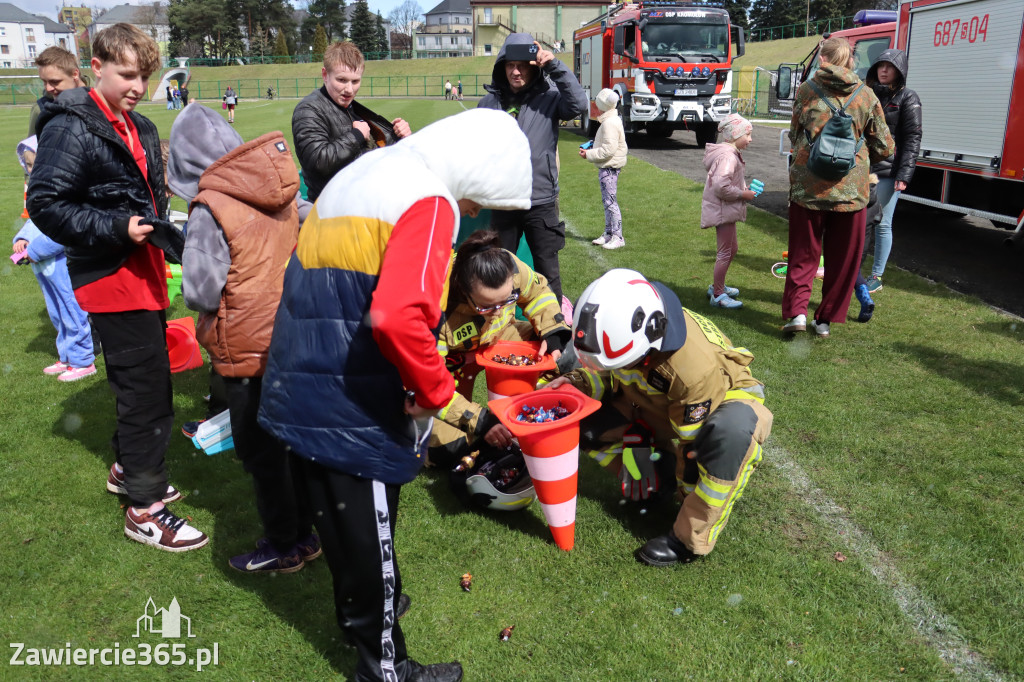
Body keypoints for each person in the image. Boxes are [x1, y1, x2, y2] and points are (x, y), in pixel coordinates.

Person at [257, 109, 532, 682]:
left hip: (298, 379)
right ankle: (386, 668)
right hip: (350, 400)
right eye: (478, 201)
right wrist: (433, 391)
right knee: (370, 536)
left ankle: (364, 612)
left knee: (343, 530)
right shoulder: (428, 199)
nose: (474, 213)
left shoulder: (363, 173)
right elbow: (397, 315)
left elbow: (336, 288)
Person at [27, 23, 206, 553]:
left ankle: (129, 469)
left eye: (144, 76)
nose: (136, 85)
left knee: (149, 382)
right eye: (127, 73)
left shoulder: (140, 125)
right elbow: (47, 205)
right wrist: (113, 229)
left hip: (144, 270)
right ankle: (145, 510)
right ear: (97, 66)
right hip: (110, 277)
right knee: (145, 393)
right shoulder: (71, 126)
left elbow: (146, 195)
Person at [168, 103, 318, 573]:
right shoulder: (278, 186)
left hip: (248, 348)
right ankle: (309, 530)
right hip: (293, 333)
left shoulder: (210, 206)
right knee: (294, 442)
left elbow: (200, 290)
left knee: (261, 452)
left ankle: (284, 543)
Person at [546, 268, 772, 566]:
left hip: (720, 403)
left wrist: (685, 496)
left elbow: (690, 450)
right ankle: (656, 483)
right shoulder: (627, 327)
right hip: (659, 403)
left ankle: (689, 539)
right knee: (577, 418)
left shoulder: (692, 370)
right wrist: (577, 384)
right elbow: (607, 374)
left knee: (729, 434)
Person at [782, 37, 893, 338]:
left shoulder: (807, 90)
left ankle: (796, 314)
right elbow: (885, 147)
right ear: (851, 62)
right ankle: (824, 321)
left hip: (808, 187)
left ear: (823, 58)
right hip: (852, 192)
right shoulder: (866, 95)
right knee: (843, 260)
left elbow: (794, 134)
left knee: (804, 255)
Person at [429, 230, 570, 466]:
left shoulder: (507, 265)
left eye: (507, 300)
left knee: (566, 353)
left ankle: (531, 409)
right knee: (447, 450)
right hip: (453, 366)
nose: (497, 311)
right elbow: (429, 385)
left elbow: (537, 293)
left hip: (501, 338)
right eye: (486, 306)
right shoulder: (437, 307)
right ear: (464, 291)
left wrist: (554, 329)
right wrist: (480, 420)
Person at [477, 32, 588, 305]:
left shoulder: (549, 97)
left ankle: (554, 339)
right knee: (499, 273)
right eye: (510, 65)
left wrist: (554, 65)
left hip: (540, 200)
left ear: (533, 66)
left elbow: (579, 104)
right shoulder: (488, 104)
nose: (516, 72)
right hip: (503, 202)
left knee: (548, 274)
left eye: (523, 65)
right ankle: (500, 334)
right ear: (502, 65)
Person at [12, 135, 96, 382]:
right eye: (27, 166)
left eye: (34, 164)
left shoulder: (65, 193)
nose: (31, 170)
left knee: (72, 309)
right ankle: (67, 356)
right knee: (57, 312)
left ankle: (83, 360)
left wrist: (34, 252)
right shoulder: (40, 193)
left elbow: (66, 232)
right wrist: (22, 239)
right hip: (44, 268)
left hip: (62, 266)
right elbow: (34, 221)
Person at [292, 41, 412, 203]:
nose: (349, 89)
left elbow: (368, 154)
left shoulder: (349, 107)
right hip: (333, 211)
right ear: (325, 75)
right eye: (341, 80)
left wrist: (397, 135)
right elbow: (318, 161)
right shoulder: (308, 110)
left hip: (362, 202)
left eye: (355, 81)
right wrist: (355, 136)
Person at [862, 48, 922, 295]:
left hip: (889, 172)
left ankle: (876, 275)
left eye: (889, 66)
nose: (883, 70)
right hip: (862, 168)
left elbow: (912, 138)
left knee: (882, 223)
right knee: (857, 219)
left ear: (900, 71)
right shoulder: (867, 94)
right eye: (880, 65)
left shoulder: (908, 97)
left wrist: (904, 176)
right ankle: (851, 267)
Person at [701, 113, 757, 309]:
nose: (750, 139)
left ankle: (719, 286)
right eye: (747, 134)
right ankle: (717, 295)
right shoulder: (728, 156)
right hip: (723, 211)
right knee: (725, 253)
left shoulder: (730, 154)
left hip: (726, 210)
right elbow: (721, 187)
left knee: (732, 249)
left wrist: (744, 188)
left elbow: (727, 182)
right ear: (735, 134)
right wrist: (743, 194)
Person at [581, 88, 628, 250]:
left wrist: (589, 154)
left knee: (610, 202)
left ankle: (618, 236)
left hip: (610, 167)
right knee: (607, 201)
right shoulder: (611, 120)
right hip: (608, 167)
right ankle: (609, 233)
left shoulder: (609, 123)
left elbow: (609, 149)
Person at [31, 46, 87, 137]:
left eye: (55, 82)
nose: (48, 88)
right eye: (44, 82)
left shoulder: (103, 97)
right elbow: (32, 146)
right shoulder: (41, 109)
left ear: (75, 74)